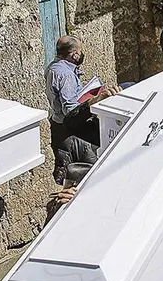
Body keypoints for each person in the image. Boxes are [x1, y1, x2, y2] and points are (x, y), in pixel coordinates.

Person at [44, 34, 118, 175]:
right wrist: (93, 100)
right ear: (74, 54)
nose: (81, 54)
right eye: (79, 51)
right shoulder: (66, 75)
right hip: (69, 131)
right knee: (80, 173)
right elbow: (70, 111)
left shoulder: (53, 67)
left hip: (57, 123)